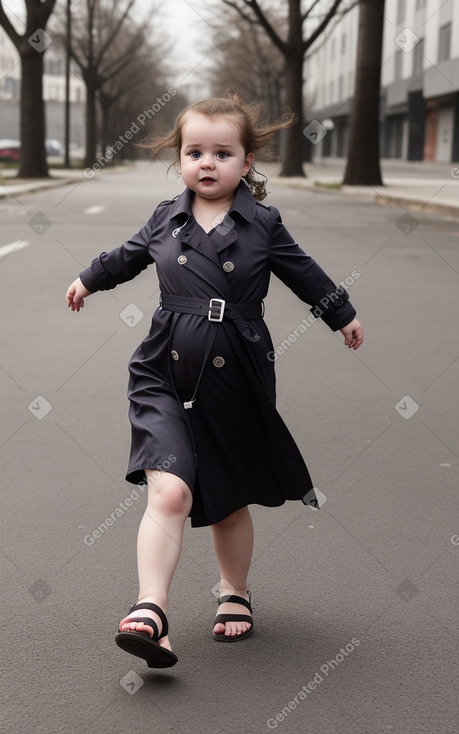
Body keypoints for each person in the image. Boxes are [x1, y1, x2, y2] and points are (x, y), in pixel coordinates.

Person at [66, 92, 363, 669]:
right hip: (162, 370)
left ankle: (234, 590)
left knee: (226, 498)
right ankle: (151, 610)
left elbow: (305, 273)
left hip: (238, 373)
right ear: (179, 159)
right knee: (171, 487)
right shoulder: (164, 217)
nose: (207, 162)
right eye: (194, 151)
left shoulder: (263, 224)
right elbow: (125, 257)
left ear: (246, 163)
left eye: (222, 153)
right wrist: (87, 279)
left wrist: (341, 312)